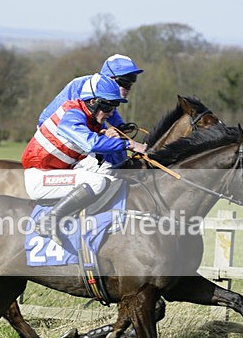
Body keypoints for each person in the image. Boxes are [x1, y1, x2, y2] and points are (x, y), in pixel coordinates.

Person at [22, 74, 148, 243]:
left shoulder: (88, 117)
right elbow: (90, 144)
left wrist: (106, 135)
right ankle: (48, 221)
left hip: (62, 169)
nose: (111, 113)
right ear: (92, 102)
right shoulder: (71, 115)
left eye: (115, 106)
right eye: (108, 106)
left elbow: (93, 141)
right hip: (39, 176)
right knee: (97, 182)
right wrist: (128, 145)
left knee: (111, 175)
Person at [37, 54, 143, 133]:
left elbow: (109, 110)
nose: (127, 89)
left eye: (130, 84)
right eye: (124, 82)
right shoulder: (85, 86)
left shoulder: (105, 91)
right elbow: (90, 118)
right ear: (110, 78)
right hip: (53, 130)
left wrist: (120, 125)